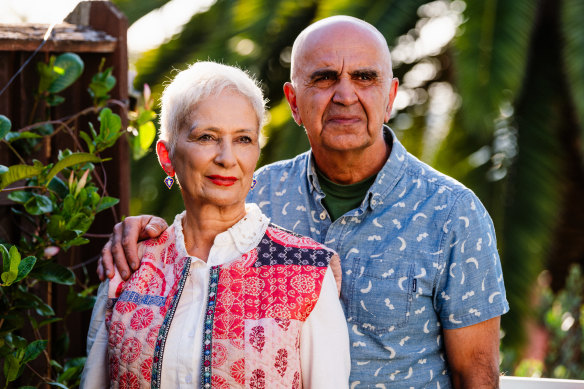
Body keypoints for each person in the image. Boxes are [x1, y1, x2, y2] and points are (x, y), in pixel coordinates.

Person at [99, 16, 509, 388]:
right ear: (293, 102)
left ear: (390, 97)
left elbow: (474, 373)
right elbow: (193, 263)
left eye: (365, 77)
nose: (346, 95)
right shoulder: (256, 190)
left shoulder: (453, 214)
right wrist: (148, 234)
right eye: (326, 77)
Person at [81, 61, 350, 388]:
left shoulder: (307, 273)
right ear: (167, 156)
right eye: (207, 136)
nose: (227, 157)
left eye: (243, 139)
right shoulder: (129, 269)